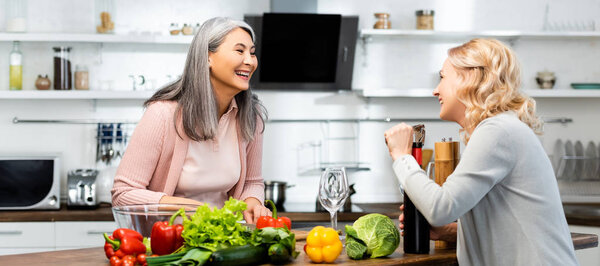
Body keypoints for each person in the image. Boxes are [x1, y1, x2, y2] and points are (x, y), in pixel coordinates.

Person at [384, 39, 578, 265]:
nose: (436, 89)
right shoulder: (500, 129)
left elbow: (440, 208)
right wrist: (448, 231)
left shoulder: (497, 131)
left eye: (443, 77)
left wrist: (402, 157)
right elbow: (502, 223)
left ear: (470, 78)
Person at [112, 17, 271, 224]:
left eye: (252, 52)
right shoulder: (162, 114)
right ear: (207, 57)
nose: (250, 61)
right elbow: (122, 194)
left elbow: (252, 181)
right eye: (239, 51)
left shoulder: (251, 116)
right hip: (169, 243)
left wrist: (252, 202)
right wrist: (186, 208)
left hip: (225, 242)